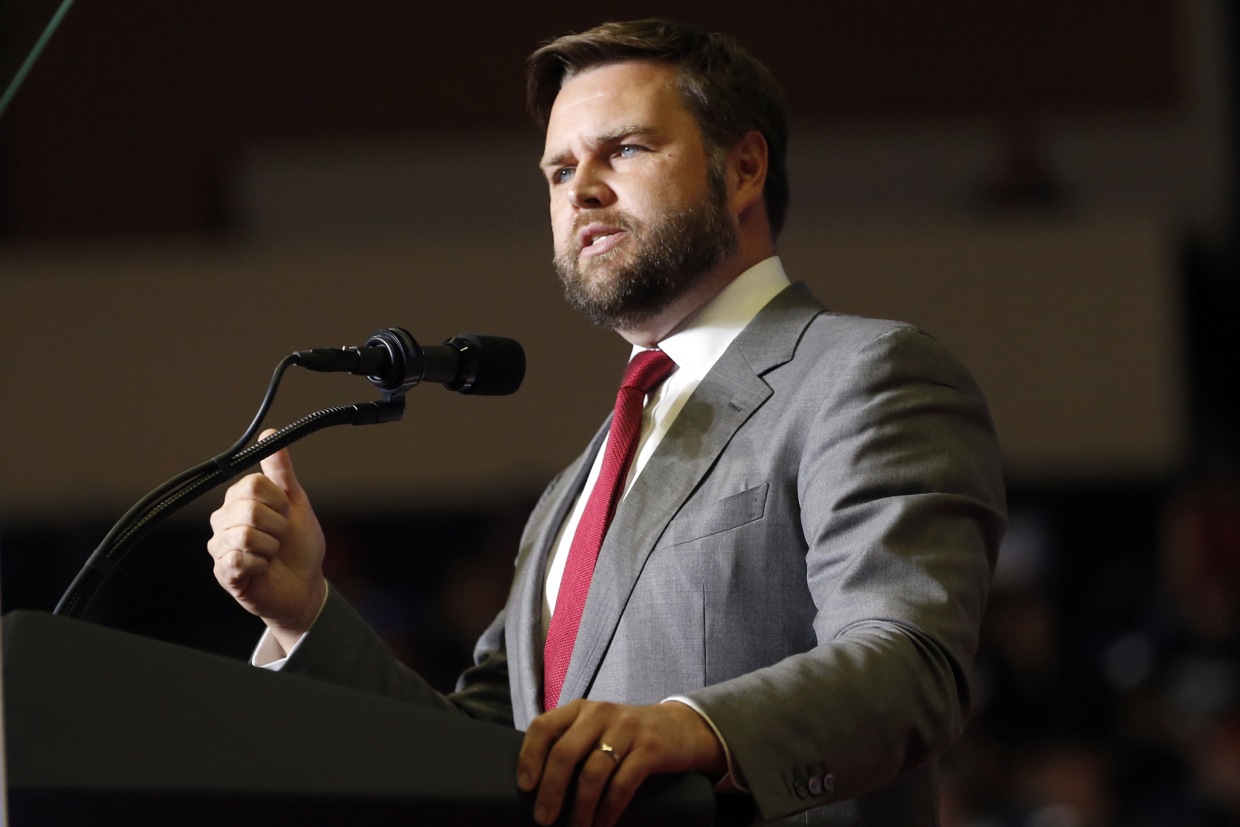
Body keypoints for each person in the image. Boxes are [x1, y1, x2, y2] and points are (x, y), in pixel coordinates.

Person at [207, 19, 1006, 827]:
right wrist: (303, 611)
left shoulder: (864, 375)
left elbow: (910, 665)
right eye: (559, 169)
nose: (580, 188)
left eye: (623, 149)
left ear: (744, 168)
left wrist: (690, 728)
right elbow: (479, 751)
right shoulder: (568, 497)